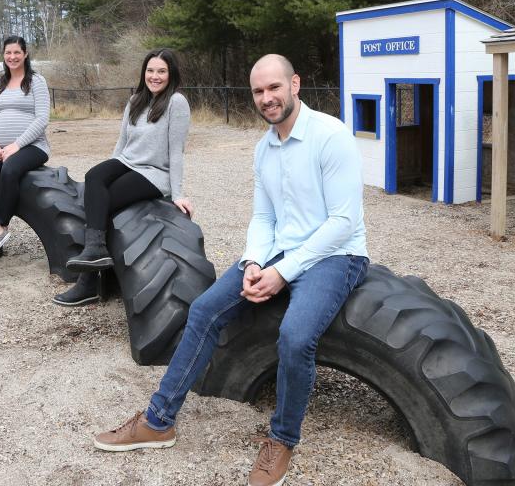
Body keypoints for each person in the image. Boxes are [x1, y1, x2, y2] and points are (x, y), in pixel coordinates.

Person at [92, 54, 369, 486]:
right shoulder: (265, 148)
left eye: (274, 87)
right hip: (278, 250)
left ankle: (281, 440)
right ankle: (158, 419)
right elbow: (263, 218)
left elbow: (343, 222)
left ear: (295, 84)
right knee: (203, 311)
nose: (267, 98)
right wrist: (255, 261)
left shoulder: (330, 136)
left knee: (295, 337)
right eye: (258, 91)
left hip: (335, 255)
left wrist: (283, 272)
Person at [53, 48, 193, 307]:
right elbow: (122, 143)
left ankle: (88, 284)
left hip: (153, 173)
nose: (155, 76)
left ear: (171, 74)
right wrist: (109, 169)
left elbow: (176, 152)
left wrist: (178, 194)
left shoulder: (176, 102)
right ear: (144, 73)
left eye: (161, 71)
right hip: (128, 163)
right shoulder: (136, 100)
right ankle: (95, 250)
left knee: (105, 202)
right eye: (150, 70)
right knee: (94, 178)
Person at [0, 35, 50, 256]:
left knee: (10, 169)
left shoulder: (37, 81)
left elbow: (42, 118)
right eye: (8, 53)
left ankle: (3, 224)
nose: (12, 57)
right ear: (3, 55)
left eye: (17, 52)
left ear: (25, 54)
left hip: (32, 147)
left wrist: (17, 145)